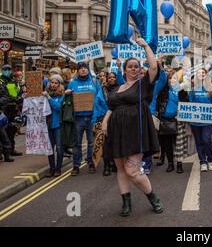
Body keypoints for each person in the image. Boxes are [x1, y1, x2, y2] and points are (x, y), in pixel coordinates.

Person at [102, 38, 163, 217]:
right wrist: (105, 122)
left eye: (136, 66)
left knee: (132, 170)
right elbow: (112, 108)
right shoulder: (117, 89)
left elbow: (153, 68)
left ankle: (153, 197)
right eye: (130, 66)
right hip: (116, 132)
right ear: (124, 69)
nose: (134, 68)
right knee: (121, 169)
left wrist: (145, 46)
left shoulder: (143, 85)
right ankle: (126, 203)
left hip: (136, 132)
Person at [66, 62, 98, 175]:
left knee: (91, 143)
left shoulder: (94, 81)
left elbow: (99, 98)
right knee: (77, 143)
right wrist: (67, 94)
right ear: (77, 70)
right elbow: (66, 100)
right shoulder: (72, 83)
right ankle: (76, 165)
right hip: (77, 118)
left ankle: (91, 163)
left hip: (91, 117)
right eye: (81, 68)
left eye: (85, 68)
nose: (83, 70)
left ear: (88, 70)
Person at [189, 68, 212, 172]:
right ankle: (202, 161)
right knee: (199, 142)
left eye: (203, 73)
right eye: (199, 73)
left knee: (206, 140)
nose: (201, 74)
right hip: (195, 121)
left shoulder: (211, 88)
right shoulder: (193, 89)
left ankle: (210, 160)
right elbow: (190, 103)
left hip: (207, 120)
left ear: (206, 75)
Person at [153, 70, 182, 173]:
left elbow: (184, 103)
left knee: (178, 144)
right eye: (170, 78)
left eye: (174, 78)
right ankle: (170, 164)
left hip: (177, 120)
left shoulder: (180, 90)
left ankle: (179, 164)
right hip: (164, 120)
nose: (172, 80)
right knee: (167, 144)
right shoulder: (162, 90)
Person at [43, 75, 65, 177]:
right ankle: (52, 168)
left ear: (59, 84)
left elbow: (58, 107)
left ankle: (58, 168)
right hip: (47, 125)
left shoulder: (61, 95)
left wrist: (48, 97)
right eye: (52, 82)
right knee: (49, 148)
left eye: (56, 83)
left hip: (58, 126)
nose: (54, 84)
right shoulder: (45, 94)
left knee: (59, 148)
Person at [0, 64, 23, 156]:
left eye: (9, 69)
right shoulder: (1, 81)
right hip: (3, 108)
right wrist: (15, 99)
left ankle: (11, 149)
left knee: (12, 129)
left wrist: (21, 97)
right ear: (2, 70)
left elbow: (18, 91)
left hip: (13, 108)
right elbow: (4, 95)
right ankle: (3, 152)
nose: (7, 71)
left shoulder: (13, 81)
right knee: (3, 130)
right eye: (5, 69)